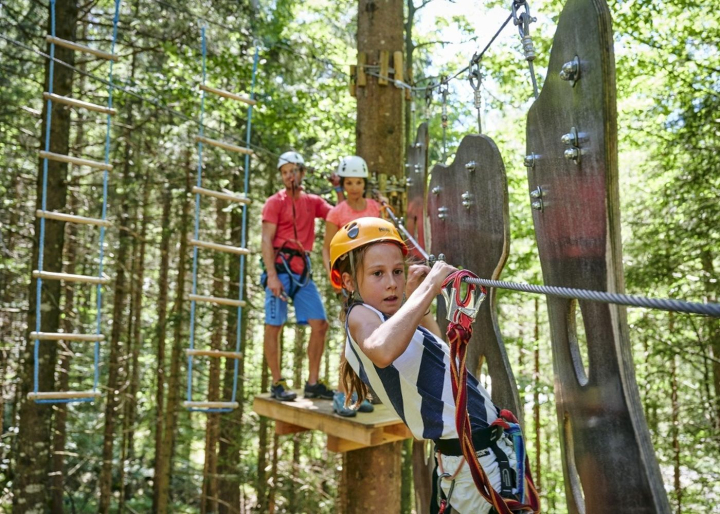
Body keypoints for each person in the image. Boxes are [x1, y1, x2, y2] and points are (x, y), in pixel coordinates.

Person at [329, 217, 522, 514]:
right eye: (377, 274)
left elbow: (436, 350)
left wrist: (414, 300)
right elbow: (381, 350)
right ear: (349, 282)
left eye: (397, 271)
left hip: (484, 453)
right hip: (474, 461)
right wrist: (431, 285)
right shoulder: (360, 317)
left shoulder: (389, 320)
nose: (392, 282)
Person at [261, 151, 341, 401]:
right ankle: (277, 383)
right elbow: (265, 239)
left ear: (302, 172)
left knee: (320, 324)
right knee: (274, 326)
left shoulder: (312, 202)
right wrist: (272, 276)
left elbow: (340, 215)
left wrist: (338, 188)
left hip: (302, 273)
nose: (288, 176)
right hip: (280, 269)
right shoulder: (275, 202)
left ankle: (313, 383)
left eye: (293, 171)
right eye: (284, 172)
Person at [322, 156, 384, 416]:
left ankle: (359, 392)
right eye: (349, 182)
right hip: (349, 281)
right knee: (350, 336)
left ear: (364, 183)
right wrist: (333, 276)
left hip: (371, 279)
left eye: (359, 181)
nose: (354, 187)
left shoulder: (374, 207)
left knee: (370, 336)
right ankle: (341, 392)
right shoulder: (336, 213)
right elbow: (327, 248)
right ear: (344, 184)